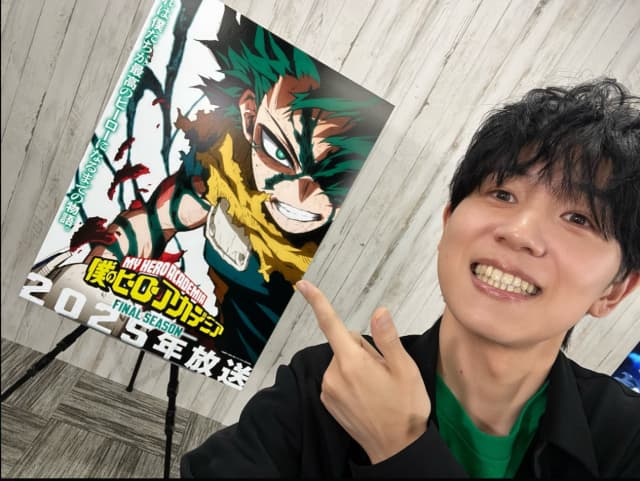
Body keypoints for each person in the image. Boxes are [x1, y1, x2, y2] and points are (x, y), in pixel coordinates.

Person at [180, 78, 640, 478]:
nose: (519, 233)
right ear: (448, 223)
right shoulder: (328, 382)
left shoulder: (626, 439)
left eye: (578, 218)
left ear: (615, 289)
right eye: (502, 193)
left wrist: (401, 448)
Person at [80, 5, 391, 366]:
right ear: (249, 115)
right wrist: (99, 268)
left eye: (331, 180)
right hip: (204, 347)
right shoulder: (224, 164)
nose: (299, 192)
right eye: (279, 151)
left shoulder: (336, 246)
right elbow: (158, 219)